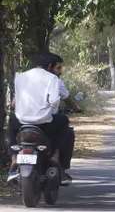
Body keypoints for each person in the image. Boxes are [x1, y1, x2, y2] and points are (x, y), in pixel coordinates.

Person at [7, 51, 76, 185]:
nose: (60, 71)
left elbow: (15, 101)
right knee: (64, 121)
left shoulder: (20, 77)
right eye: (58, 67)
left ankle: (14, 158)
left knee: (11, 122)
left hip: (21, 122)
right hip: (43, 122)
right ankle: (55, 156)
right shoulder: (52, 79)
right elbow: (55, 102)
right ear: (50, 66)